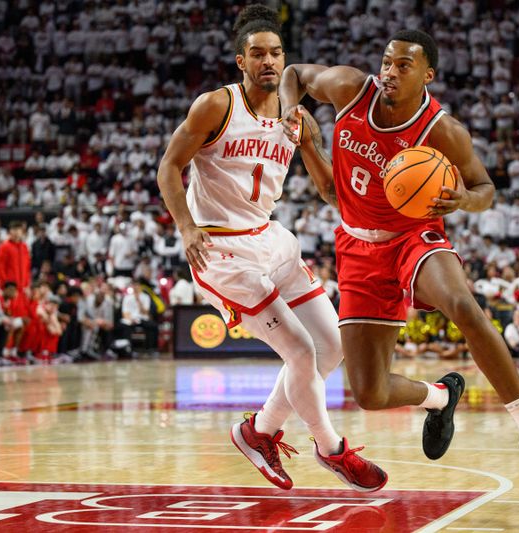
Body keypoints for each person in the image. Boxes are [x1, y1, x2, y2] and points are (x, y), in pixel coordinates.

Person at [280, 29, 519, 480]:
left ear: (428, 75)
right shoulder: (348, 88)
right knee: (369, 392)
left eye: (404, 66)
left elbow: (485, 189)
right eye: (386, 61)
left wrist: (463, 200)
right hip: (357, 244)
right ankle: (439, 397)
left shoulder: (441, 130)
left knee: (462, 304)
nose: (389, 72)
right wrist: (292, 112)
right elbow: (293, 74)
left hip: (413, 236)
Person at [155, 5, 386, 492]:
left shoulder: (296, 118)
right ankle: (331, 448)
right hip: (220, 250)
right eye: (257, 54)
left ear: (285, 59)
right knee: (301, 351)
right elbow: (169, 167)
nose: (269, 62)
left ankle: (258, 432)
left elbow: (328, 190)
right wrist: (185, 227)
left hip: (271, 238)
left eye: (276, 53)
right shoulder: (215, 106)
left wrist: (310, 147)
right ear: (241, 61)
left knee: (331, 347)